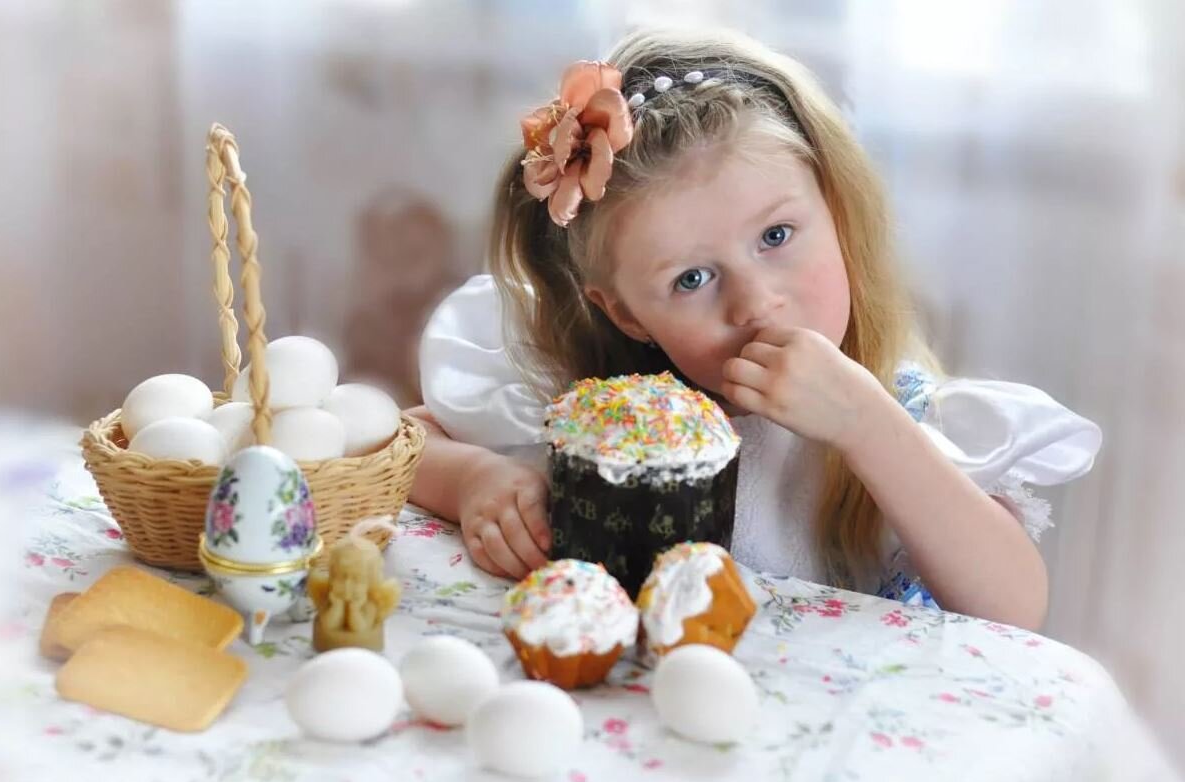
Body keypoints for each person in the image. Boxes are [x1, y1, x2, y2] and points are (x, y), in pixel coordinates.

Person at [406, 28, 1101, 630]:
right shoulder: (603, 409)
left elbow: (1013, 607)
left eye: (776, 235)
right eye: (691, 279)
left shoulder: (902, 418)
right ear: (626, 313)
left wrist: (867, 426)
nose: (756, 304)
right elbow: (397, 440)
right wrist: (474, 480)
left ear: (836, 211)